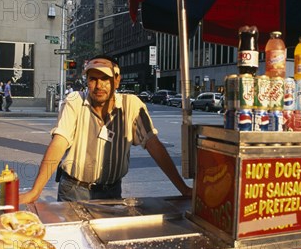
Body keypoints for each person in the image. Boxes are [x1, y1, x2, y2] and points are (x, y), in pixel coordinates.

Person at [20, 55, 192, 204]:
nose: (98, 85)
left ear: (117, 80)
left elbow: (154, 145)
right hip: (74, 190)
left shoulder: (131, 105)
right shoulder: (75, 101)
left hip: (112, 191)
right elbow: (59, 143)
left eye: (105, 79)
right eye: (93, 79)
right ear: (87, 81)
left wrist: (183, 188)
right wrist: (35, 192)